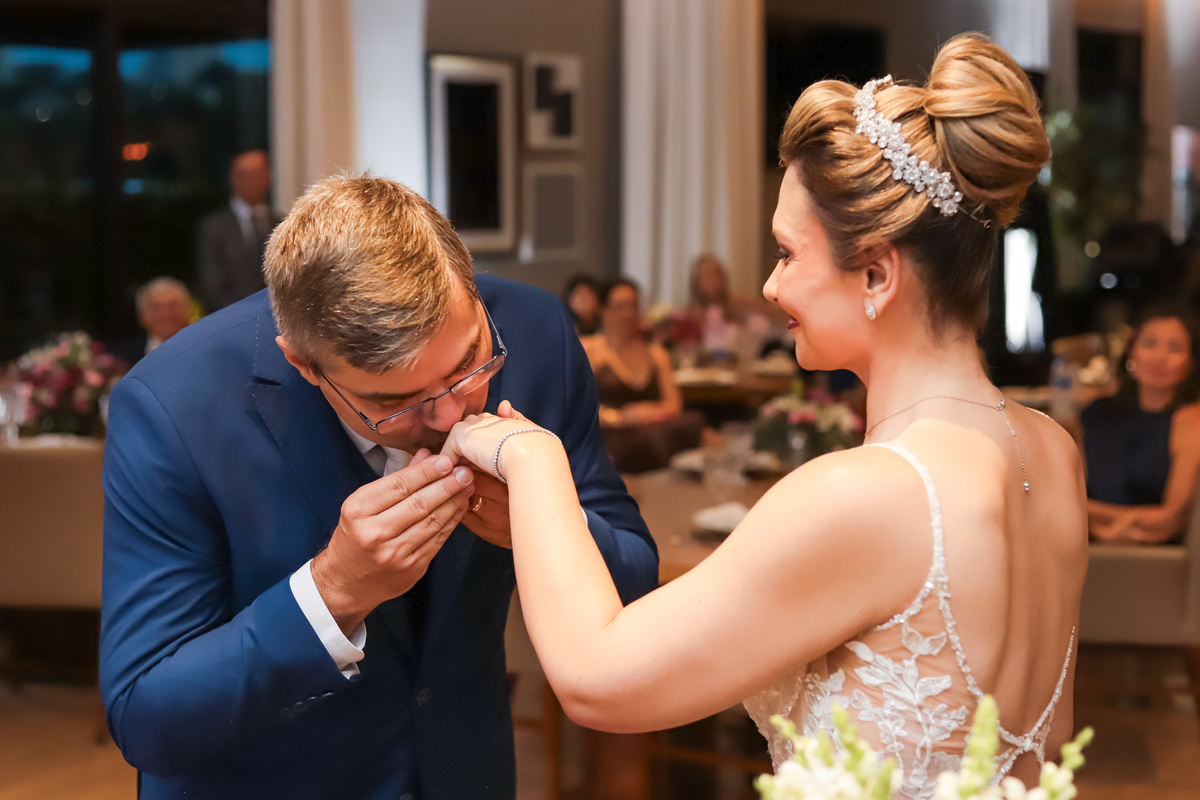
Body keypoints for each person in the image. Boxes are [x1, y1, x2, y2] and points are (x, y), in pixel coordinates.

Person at [441, 33, 1087, 798]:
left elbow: (595, 679)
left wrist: (532, 455)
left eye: (786, 253)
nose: (772, 286)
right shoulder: (1052, 452)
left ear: (877, 274)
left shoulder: (867, 494)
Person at [100, 176, 658, 799]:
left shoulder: (536, 331)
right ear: (303, 364)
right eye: (395, 403)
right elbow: (144, 715)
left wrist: (545, 524)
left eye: (469, 364)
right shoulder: (173, 405)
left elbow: (637, 584)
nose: (450, 415)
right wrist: (333, 593)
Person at [1081, 304, 1200, 543]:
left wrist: (1103, 523)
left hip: (1156, 552)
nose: (1160, 356)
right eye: (1150, 343)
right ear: (1131, 351)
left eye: (1175, 348)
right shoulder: (1097, 413)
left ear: (1190, 362)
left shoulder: (1191, 419)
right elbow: (1069, 498)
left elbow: (1171, 517)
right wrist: (1109, 529)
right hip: (1085, 543)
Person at [582, 278, 703, 471]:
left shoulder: (656, 353)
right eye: (620, 307)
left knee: (693, 423)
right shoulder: (588, 350)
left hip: (653, 431)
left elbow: (673, 405)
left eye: (633, 305)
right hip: (609, 436)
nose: (628, 314)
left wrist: (646, 413)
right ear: (603, 311)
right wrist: (618, 417)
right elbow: (574, 405)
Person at [197, 148, 279, 312]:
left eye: (258, 174)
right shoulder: (214, 228)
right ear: (233, 179)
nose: (252, 182)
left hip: (278, 319)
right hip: (232, 317)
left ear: (269, 177)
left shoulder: (281, 224)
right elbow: (212, 286)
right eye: (245, 175)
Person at [108, 276, 195, 368]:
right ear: (143, 315)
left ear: (187, 310)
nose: (165, 314)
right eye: (156, 307)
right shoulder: (122, 358)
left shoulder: (201, 350)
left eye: (173, 305)